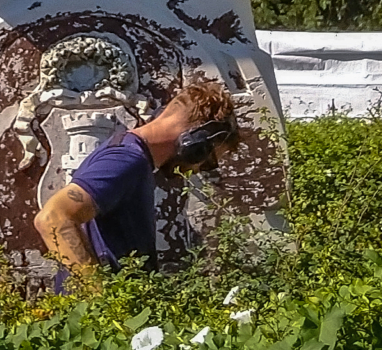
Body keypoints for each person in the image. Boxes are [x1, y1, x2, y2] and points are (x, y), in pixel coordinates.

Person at [32, 76, 236, 286]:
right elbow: (53, 219)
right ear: (196, 142)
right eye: (207, 162)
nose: (196, 169)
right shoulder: (127, 159)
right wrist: (99, 301)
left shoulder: (131, 155)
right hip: (102, 315)